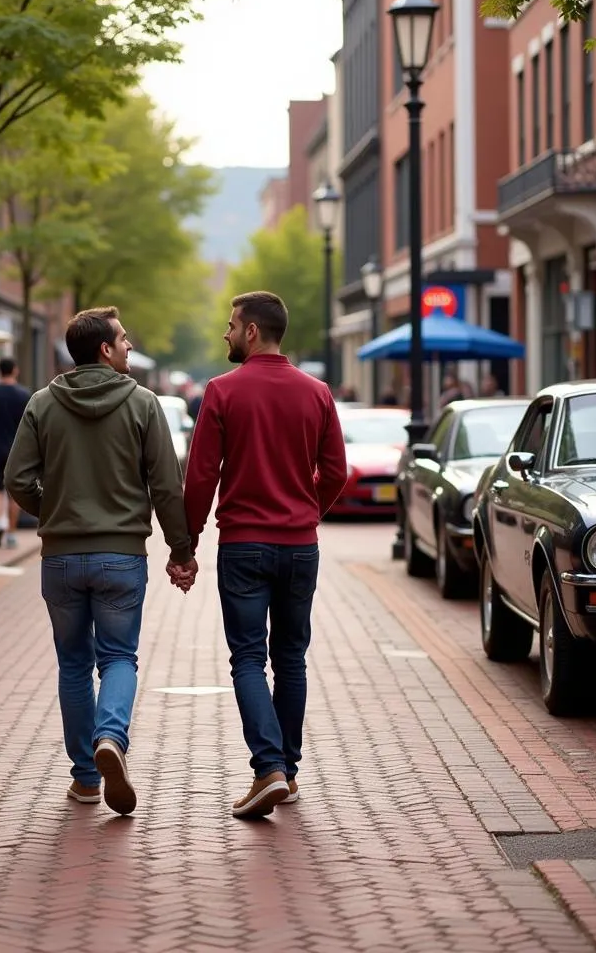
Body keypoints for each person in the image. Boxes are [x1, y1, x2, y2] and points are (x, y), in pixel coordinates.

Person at [5, 306, 196, 816]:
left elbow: (18, 479)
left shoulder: (42, 404)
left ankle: (87, 779)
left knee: (73, 663)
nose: (130, 346)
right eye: (124, 339)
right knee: (117, 657)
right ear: (105, 350)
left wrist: (57, 509)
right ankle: (111, 737)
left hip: (61, 558)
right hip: (121, 556)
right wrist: (181, 550)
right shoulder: (144, 405)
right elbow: (164, 485)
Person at [179, 291, 347, 819]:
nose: (225, 334)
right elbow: (336, 471)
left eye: (231, 326)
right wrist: (307, 512)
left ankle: (269, 767)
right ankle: (287, 774)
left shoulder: (222, 391)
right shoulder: (316, 392)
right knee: (291, 657)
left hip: (244, 546)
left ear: (252, 332)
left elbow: (202, 475)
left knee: (249, 658)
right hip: (300, 548)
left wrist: (185, 546)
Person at [0, 357, 31, 549]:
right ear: (15, 370)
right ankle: (11, 533)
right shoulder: (24, 394)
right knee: (13, 494)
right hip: (17, 449)